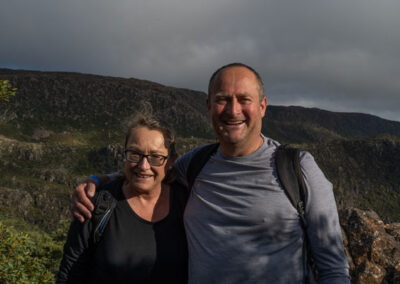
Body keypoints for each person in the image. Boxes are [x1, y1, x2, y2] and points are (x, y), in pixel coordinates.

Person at [72, 63, 350, 283]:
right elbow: (149, 170)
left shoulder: (297, 168)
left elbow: (333, 269)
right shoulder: (196, 164)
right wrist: (98, 180)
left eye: (244, 99)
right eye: (222, 100)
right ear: (208, 107)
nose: (232, 110)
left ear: (263, 106)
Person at [57, 112, 188, 283]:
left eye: (155, 157)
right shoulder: (98, 204)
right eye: (135, 154)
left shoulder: (187, 202)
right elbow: (70, 275)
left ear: (171, 161)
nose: (143, 166)